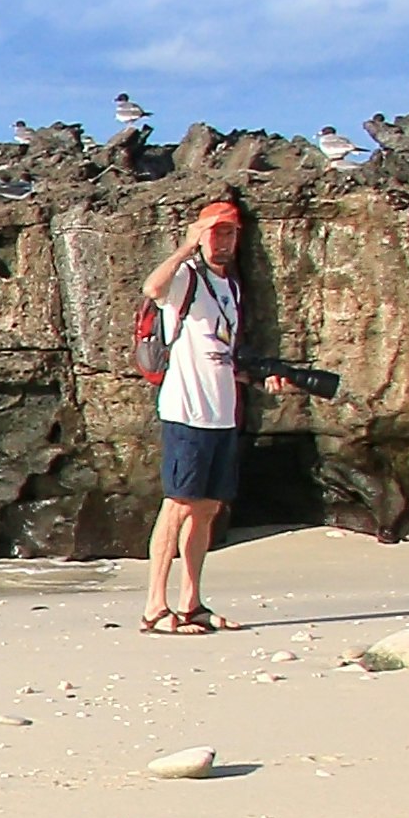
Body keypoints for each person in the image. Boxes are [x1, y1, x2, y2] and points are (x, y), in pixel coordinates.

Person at [140, 192, 248, 632]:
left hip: (222, 413)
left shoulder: (233, 288)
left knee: (206, 509)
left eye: (229, 232)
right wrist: (187, 245)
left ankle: (191, 603)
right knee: (177, 505)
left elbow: (223, 353)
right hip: (186, 411)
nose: (222, 240)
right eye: (214, 232)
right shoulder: (186, 277)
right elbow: (152, 288)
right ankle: (153, 606)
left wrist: (256, 379)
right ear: (202, 236)